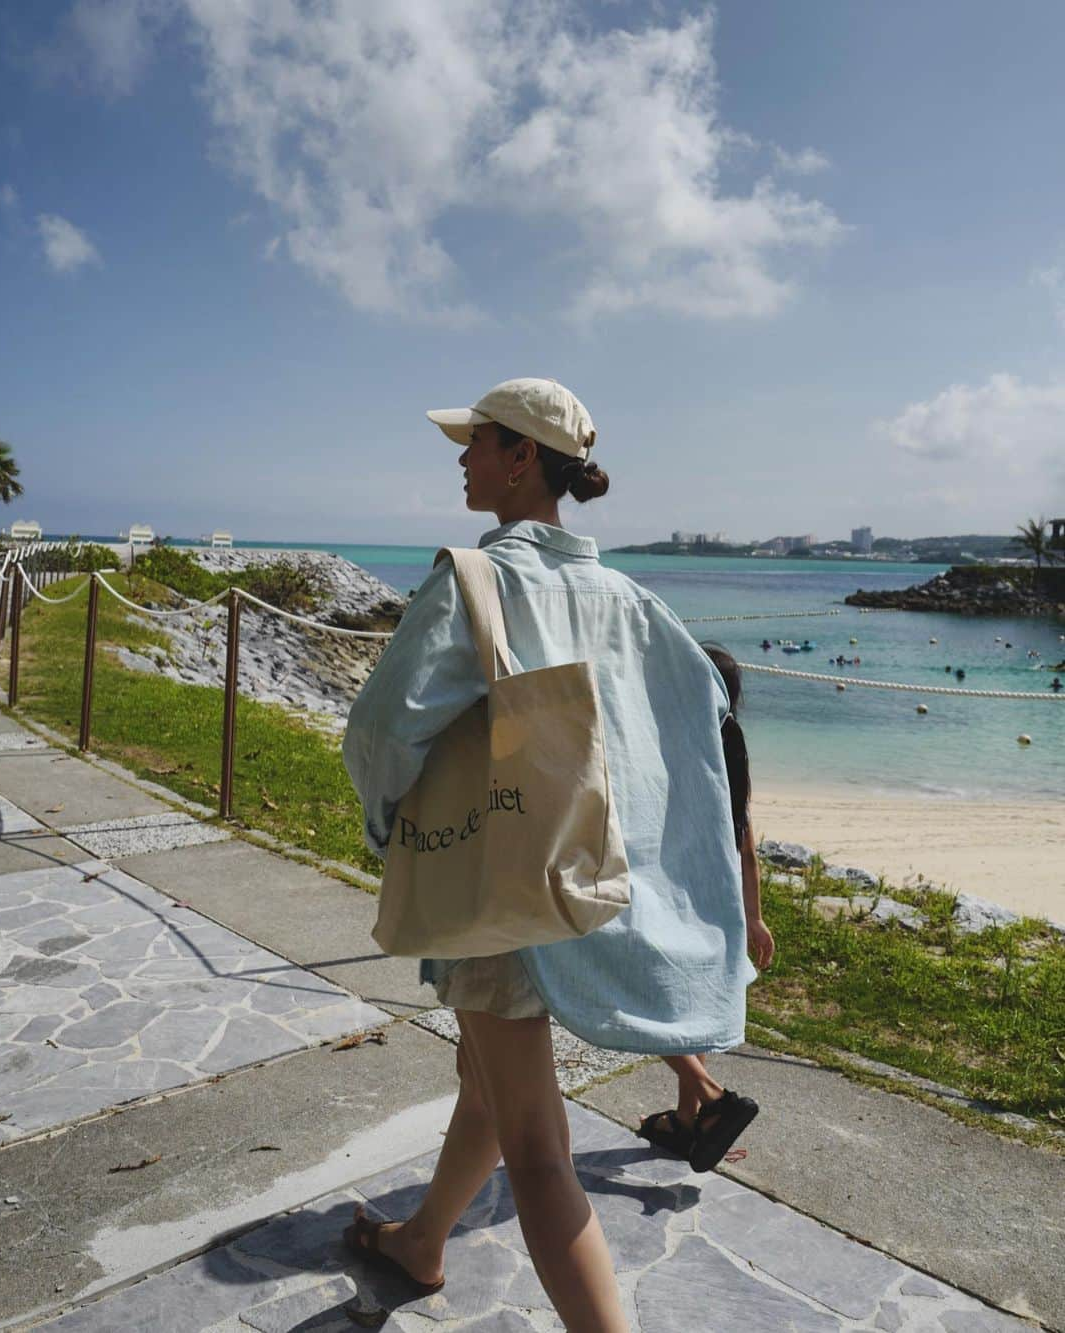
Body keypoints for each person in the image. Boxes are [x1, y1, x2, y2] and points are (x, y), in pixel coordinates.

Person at [341, 378, 756, 1332]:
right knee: (486, 1083)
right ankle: (422, 1240)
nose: (462, 457)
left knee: (537, 1146)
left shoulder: (481, 576)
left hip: (503, 885)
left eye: (477, 441)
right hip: (585, 881)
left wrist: (386, 826)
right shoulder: (632, 598)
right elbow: (683, 742)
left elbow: (382, 730)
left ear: (522, 456)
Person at [636, 645, 773, 1169]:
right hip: (717, 910)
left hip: (670, 899)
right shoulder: (730, 751)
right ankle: (687, 1120)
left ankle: (714, 1099)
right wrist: (754, 917)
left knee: (647, 1003)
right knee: (692, 1009)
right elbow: (747, 848)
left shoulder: (671, 748)